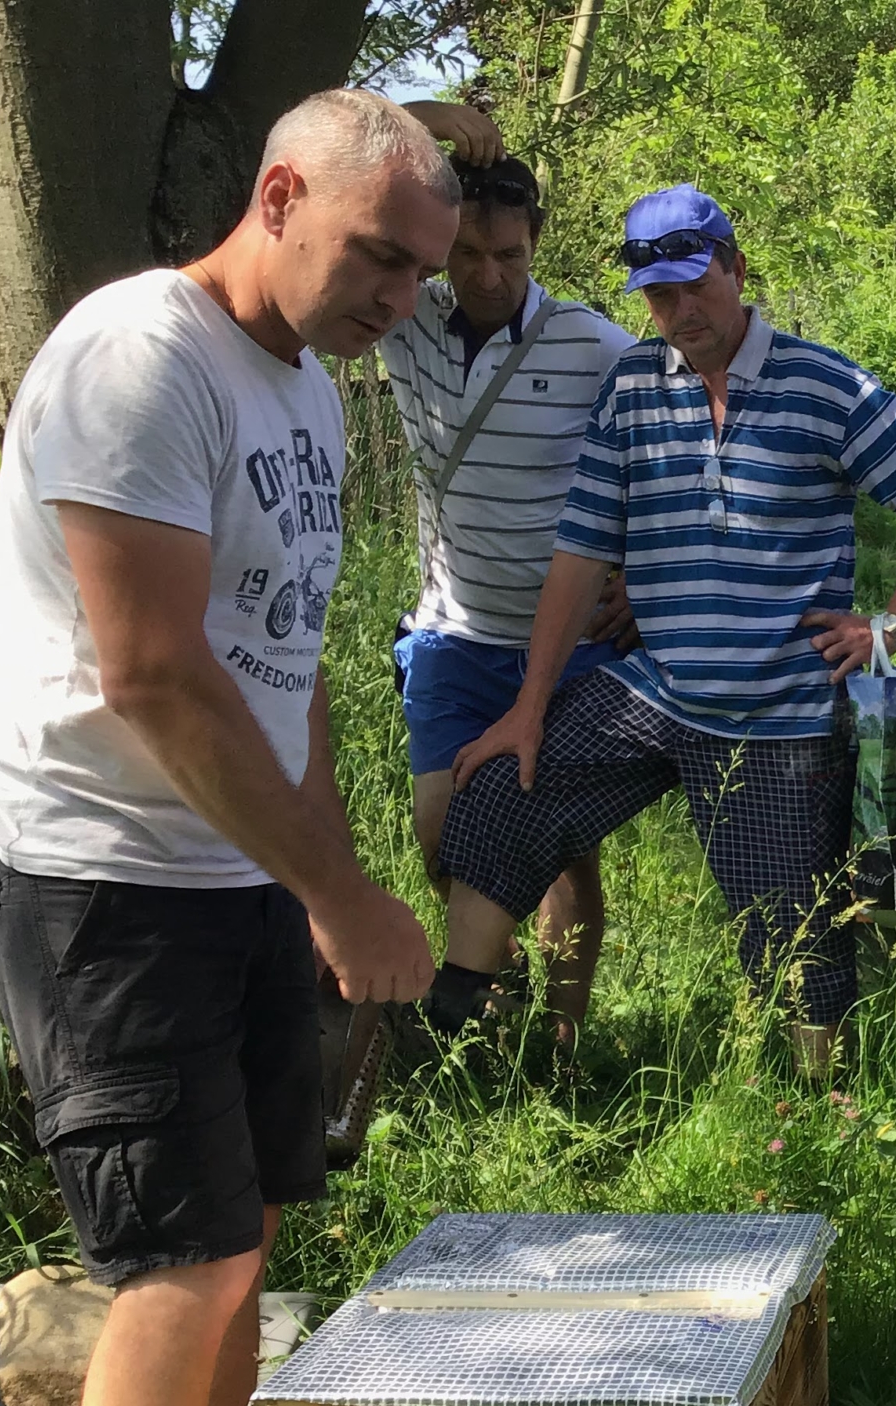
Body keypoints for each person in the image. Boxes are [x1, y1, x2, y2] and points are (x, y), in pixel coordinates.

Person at [0, 88, 448, 1406]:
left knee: (246, 1231)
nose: (399, 295)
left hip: (236, 872)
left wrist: (324, 881)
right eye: (380, 254)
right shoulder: (136, 359)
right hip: (97, 879)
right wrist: (341, 889)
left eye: (422, 272)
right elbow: (156, 671)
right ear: (280, 193)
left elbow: (281, 667)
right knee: (180, 1261)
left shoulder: (306, 389)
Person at [431, 184, 896, 1077]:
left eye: (696, 285)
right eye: (660, 295)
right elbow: (581, 550)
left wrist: (890, 624)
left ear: (736, 269)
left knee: (792, 934)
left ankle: (821, 1109)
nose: (681, 310)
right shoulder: (633, 387)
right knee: (502, 795)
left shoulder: (824, 383)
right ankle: (457, 1029)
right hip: (655, 689)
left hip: (780, 712)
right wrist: (528, 708)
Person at [375, 147, 637, 1046]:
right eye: (468, 255)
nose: (489, 276)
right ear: (440, 248)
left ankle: (562, 1050)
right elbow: (340, 161)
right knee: (440, 832)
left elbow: (671, 454)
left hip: (566, 645)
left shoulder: (594, 346)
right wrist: (443, 128)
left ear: (536, 246)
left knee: (561, 851)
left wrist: (643, 581)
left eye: (510, 256)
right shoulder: (403, 319)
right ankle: (497, 979)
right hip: (452, 631)